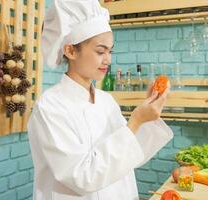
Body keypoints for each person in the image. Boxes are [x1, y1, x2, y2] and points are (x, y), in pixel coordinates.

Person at [27, 0, 173, 199]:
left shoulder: (106, 101)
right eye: (100, 51)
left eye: (110, 51)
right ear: (70, 51)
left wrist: (148, 117)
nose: (108, 60)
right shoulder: (50, 106)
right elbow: (83, 177)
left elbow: (130, 156)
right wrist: (136, 121)